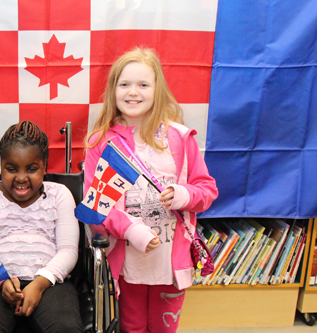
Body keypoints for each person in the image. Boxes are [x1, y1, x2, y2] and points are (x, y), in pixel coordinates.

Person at [83, 47, 218, 333]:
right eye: (125, 84)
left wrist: (184, 195)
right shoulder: (100, 143)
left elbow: (207, 190)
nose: (133, 92)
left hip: (171, 261)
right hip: (127, 261)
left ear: (157, 89)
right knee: (130, 327)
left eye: (143, 84)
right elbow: (95, 205)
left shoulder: (180, 138)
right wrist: (131, 229)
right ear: (113, 90)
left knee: (165, 328)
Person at [0, 121, 83, 333]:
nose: (21, 178)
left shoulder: (60, 194)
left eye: (32, 169)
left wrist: (40, 284)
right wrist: (0, 279)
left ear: (45, 167)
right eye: (11, 169)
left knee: (66, 328)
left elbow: (68, 250)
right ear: (1, 165)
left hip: (50, 280)